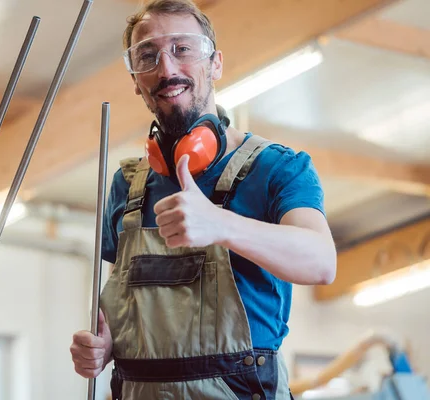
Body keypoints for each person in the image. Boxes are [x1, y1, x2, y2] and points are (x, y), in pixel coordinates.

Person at [70, 0, 337, 398]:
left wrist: (220, 224)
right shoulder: (126, 186)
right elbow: (122, 303)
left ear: (215, 64)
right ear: (135, 79)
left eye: (182, 48)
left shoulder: (276, 168)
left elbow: (321, 262)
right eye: (148, 55)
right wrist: (105, 346)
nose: (166, 68)